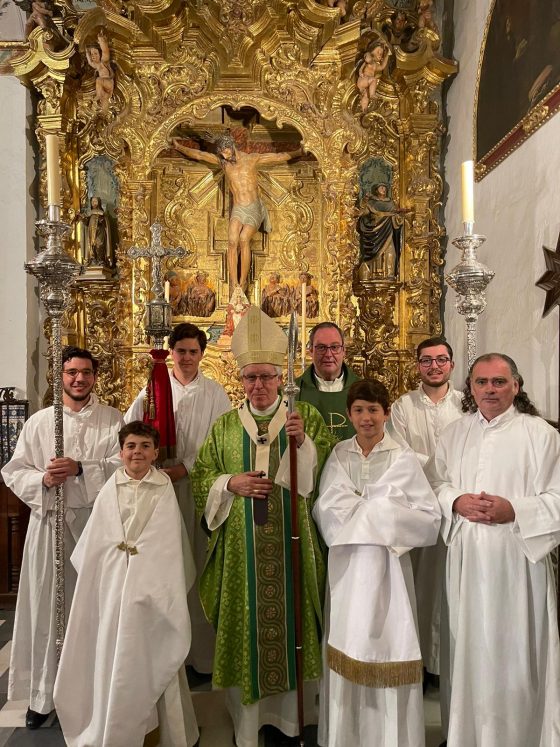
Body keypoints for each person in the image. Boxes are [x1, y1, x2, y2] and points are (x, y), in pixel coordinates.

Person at [190, 305, 332, 747]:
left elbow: (323, 476)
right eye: (250, 377)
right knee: (250, 628)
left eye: (267, 377)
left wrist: (303, 445)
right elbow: (201, 478)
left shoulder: (303, 419)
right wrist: (229, 483)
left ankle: (291, 720)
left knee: (293, 626)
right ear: (241, 380)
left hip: (292, 545)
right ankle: (249, 723)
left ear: (280, 379)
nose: (258, 385)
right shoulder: (225, 426)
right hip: (241, 553)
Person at [428, 353, 560, 747]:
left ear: (516, 386)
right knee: (470, 654)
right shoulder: (454, 433)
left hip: (518, 564)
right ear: (469, 388)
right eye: (481, 382)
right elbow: (433, 484)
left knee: (516, 656)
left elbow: (557, 497)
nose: (490, 390)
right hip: (468, 563)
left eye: (499, 382)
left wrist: (514, 509)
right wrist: (456, 501)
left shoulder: (541, 435)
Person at [54, 421, 199, 747]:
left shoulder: (163, 488)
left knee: (153, 654)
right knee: (114, 653)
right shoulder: (110, 489)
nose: (137, 452)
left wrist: (145, 584)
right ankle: (113, 725)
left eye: (145, 446)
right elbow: (95, 547)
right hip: (112, 591)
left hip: (151, 594)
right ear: (121, 452)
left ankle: (168, 733)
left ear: (155, 453)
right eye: (131, 446)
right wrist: (116, 571)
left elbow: (167, 547)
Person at [1, 346, 124, 729]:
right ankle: (41, 695)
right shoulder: (40, 422)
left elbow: (123, 465)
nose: (79, 379)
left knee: (89, 608)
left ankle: (87, 690)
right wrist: (43, 478)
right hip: (48, 524)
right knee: (44, 608)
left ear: (94, 376)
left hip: (93, 525)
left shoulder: (112, 419)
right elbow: (14, 469)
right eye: (71, 372)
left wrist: (82, 469)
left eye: (86, 372)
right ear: (61, 376)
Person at [313, 379, 440, 747]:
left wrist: (371, 511)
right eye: (358, 410)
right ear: (349, 415)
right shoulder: (340, 454)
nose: (366, 418)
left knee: (388, 643)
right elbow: (327, 509)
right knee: (347, 639)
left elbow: (427, 517)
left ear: (386, 413)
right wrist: (378, 511)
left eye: (373, 410)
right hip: (348, 567)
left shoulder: (404, 458)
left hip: (389, 569)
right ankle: (346, 737)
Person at [125, 322, 231, 675]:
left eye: (193, 351)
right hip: (158, 487)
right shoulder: (153, 390)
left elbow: (221, 440)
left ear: (203, 354)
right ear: (170, 352)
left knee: (196, 563)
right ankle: (165, 653)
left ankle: (200, 654)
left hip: (198, 488)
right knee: (164, 564)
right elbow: (130, 432)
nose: (186, 357)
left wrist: (185, 467)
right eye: (181, 350)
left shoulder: (215, 393)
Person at [387, 337, 462, 681]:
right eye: (427, 360)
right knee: (419, 585)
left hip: (457, 506)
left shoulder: (465, 405)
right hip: (418, 506)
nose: (434, 366)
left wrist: (450, 483)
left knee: (452, 587)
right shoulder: (403, 407)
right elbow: (399, 454)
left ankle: (447, 660)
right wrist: (439, 475)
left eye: (441, 360)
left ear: (452, 364)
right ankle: (419, 662)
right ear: (417, 365)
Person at [172, 132, 302, 292]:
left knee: (243, 238)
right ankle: (235, 283)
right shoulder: (223, 163)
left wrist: (300, 152)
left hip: (254, 207)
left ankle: (243, 280)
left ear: (231, 146)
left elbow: (278, 156)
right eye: (221, 153)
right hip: (239, 208)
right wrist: (178, 146)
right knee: (232, 241)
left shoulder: (251, 159)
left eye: (225, 152)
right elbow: (199, 154)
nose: (224, 156)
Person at [296, 321, 360, 441]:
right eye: (321, 347)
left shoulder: (363, 390)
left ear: (344, 351)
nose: (328, 354)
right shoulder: (294, 392)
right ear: (311, 351)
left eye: (335, 347)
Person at [357, 183, 409, 280]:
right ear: (376, 190)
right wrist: (364, 202)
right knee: (375, 253)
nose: (383, 189)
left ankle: (389, 274)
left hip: (388, 232)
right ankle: (372, 275)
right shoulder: (372, 203)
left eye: (385, 188)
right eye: (381, 188)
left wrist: (399, 216)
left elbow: (397, 219)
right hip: (374, 233)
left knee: (391, 252)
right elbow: (362, 214)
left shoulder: (391, 203)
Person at [77, 195, 112, 267]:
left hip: (100, 232)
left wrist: (101, 221)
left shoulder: (102, 213)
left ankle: (101, 260)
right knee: (92, 246)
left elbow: (105, 224)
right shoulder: (90, 213)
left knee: (100, 245)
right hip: (91, 233)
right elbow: (86, 223)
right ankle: (93, 260)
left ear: (99, 202)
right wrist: (82, 218)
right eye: (92, 202)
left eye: (95, 201)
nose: (94, 203)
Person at [85, 30, 114, 114]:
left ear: (100, 54)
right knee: (103, 96)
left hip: (108, 82)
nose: (93, 56)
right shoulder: (96, 66)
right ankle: (103, 99)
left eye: (96, 53)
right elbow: (90, 62)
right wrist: (87, 52)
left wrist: (101, 40)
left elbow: (105, 51)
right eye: (92, 54)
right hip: (103, 84)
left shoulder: (104, 62)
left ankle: (99, 94)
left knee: (98, 80)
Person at [356, 43, 391, 112]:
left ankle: (363, 108)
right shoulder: (370, 61)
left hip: (366, 83)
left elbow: (382, 66)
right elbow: (365, 62)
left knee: (366, 96)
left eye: (381, 54)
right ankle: (372, 94)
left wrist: (387, 55)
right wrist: (360, 72)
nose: (379, 55)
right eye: (378, 52)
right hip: (363, 80)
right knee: (373, 80)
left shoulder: (375, 65)